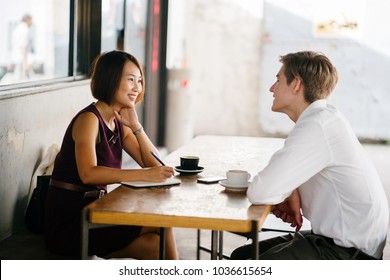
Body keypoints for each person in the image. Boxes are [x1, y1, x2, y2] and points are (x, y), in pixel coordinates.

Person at [230, 51, 389, 260]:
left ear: (296, 84)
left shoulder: (317, 125)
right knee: (241, 255)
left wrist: (284, 190)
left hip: (350, 253)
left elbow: (260, 191)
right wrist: (290, 190)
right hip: (341, 240)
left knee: (250, 265)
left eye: (278, 80)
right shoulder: (324, 118)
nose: (271, 88)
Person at [44, 50, 178, 260]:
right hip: (71, 223)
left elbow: (152, 163)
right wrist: (144, 175)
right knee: (161, 221)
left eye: (140, 81)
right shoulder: (89, 119)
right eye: (131, 80)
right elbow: (88, 174)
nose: (137, 87)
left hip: (97, 212)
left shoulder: (118, 123)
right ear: (111, 79)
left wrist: (136, 126)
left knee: (154, 246)